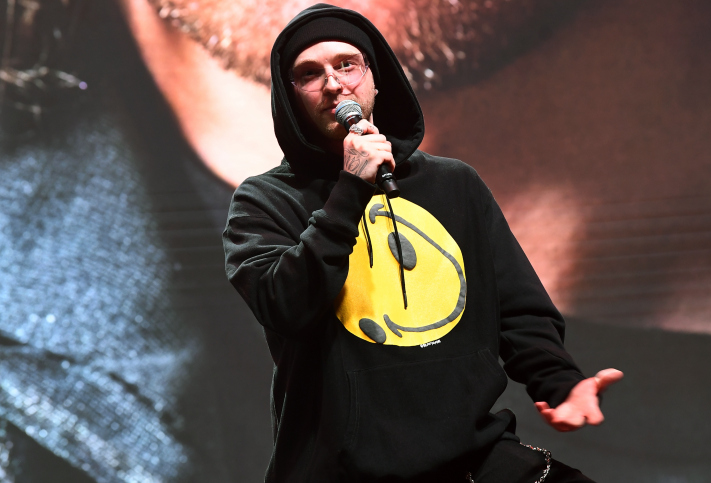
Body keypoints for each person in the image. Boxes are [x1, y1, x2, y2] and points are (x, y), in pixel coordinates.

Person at [222, 4, 622, 482]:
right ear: (289, 97)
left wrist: (559, 382)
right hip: (343, 468)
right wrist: (350, 190)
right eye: (309, 74)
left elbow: (517, 308)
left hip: (471, 454)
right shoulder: (264, 200)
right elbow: (286, 304)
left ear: (375, 79)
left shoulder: (453, 183)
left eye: (347, 65)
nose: (333, 84)